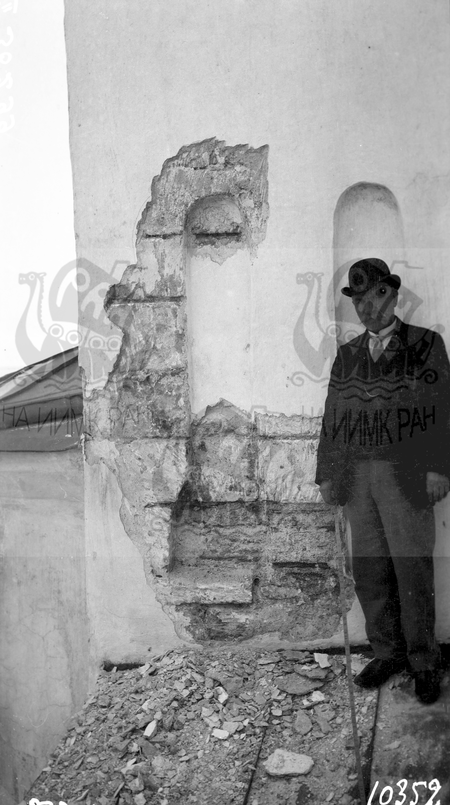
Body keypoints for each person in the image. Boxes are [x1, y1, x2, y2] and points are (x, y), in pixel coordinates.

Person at [315, 257, 450, 704]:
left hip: (405, 476)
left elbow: (442, 411)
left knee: (412, 569)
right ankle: (387, 653)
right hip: (358, 480)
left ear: (391, 295)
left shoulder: (426, 345)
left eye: (373, 297)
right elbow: (333, 418)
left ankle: (424, 661)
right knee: (370, 570)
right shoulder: (347, 355)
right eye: (357, 301)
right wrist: (327, 474)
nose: (365, 309)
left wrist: (439, 468)